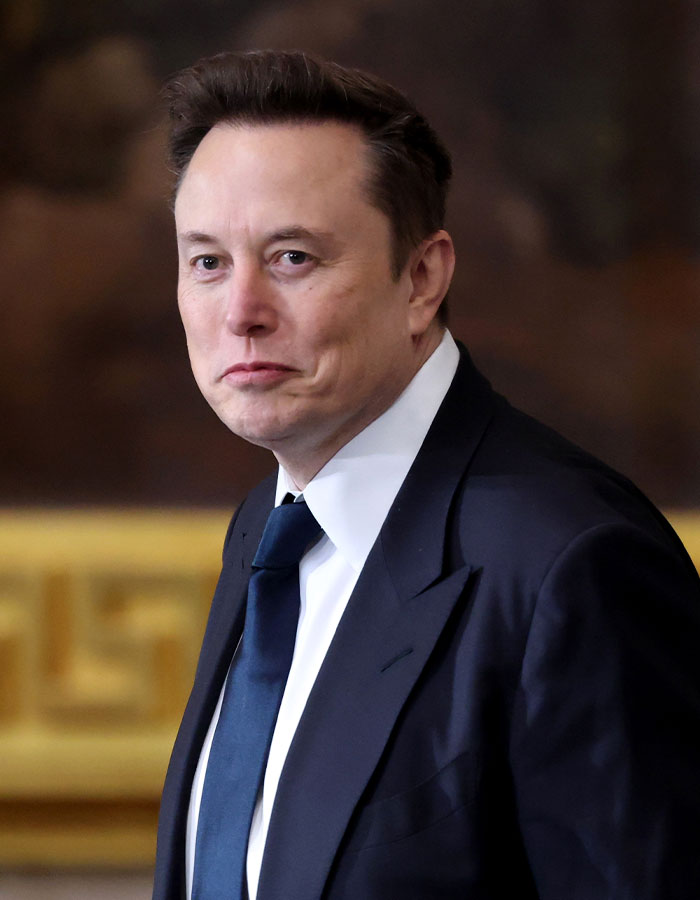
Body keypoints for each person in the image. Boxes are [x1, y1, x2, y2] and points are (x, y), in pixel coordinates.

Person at [153, 50, 700, 900]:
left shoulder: (576, 564)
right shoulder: (268, 525)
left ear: (422, 278)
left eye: (293, 257)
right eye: (208, 262)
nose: (241, 312)